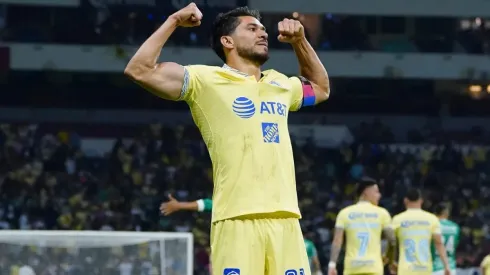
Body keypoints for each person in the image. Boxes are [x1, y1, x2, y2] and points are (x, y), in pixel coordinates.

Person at [125, 2, 330, 274]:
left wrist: (300, 42)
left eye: (263, 29)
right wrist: (174, 20)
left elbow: (320, 88)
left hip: (286, 217)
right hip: (236, 218)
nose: (263, 33)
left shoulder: (281, 83)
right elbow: (139, 69)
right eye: (252, 28)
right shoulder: (204, 80)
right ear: (227, 41)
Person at [160, 196, 324, 274]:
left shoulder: (275, 211)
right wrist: (180, 205)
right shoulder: (233, 202)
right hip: (243, 249)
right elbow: (209, 204)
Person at [328, 178, 396, 275]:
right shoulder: (382, 213)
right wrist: (390, 260)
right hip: (374, 268)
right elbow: (392, 240)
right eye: (376, 192)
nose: (379, 195)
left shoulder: (345, 213)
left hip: (352, 268)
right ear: (366, 192)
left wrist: (332, 265)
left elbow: (337, 241)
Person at [392, 189, 451, 275]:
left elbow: (391, 242)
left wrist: (392, 262)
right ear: (421, 201)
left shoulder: (397, 219)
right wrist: (446, 266)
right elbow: (439, 243)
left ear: (405, 201)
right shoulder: (432, 219)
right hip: (425, 269)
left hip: (405, 270)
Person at [431, 203, 460, 275]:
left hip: (434, 267)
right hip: (451, 268)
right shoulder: (455, 227)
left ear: (435, 213)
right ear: (447, 213)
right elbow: (456, 244)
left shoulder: (433, 225)